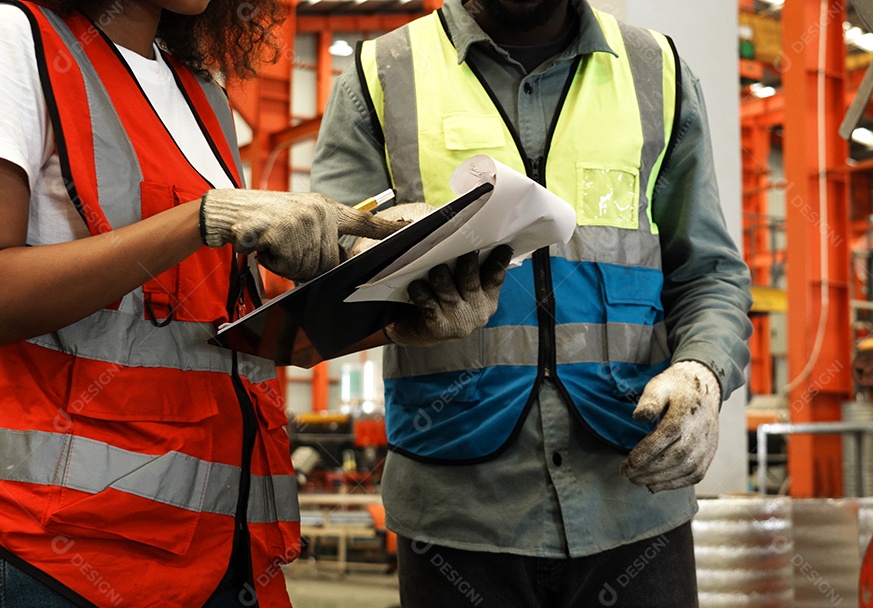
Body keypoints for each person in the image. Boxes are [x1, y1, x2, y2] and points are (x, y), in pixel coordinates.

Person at [311, 0, 753, 605]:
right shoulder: (380, 73)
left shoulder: (658, 70)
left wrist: (704, 369)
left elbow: (708, 271)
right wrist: (405, 296)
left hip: (632, 502)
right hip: (457, 510)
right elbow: (332, 277)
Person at [0, 0, 421, 603]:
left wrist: (393, 317)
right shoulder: (19, 41)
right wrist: (200, 218)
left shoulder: (202, 94)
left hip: (225, 539)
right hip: (69, 546)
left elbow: (221, 337)